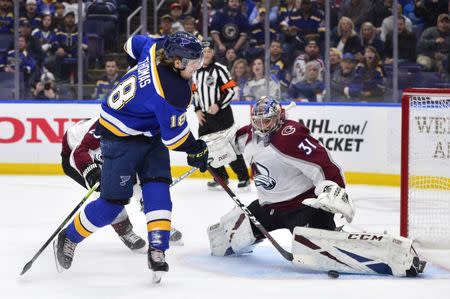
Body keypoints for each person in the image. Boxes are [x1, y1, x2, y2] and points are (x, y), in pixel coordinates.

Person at [207, 96, 426, 277]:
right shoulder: (247, 135)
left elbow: (325, 165)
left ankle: (396, 254)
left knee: (319, 250)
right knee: (221, 243)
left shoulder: (289, 137)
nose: (262, 126)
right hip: (267, 208)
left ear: (279, 118)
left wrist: (333, 190)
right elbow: (226, 144)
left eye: (267, 121)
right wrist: (204, 154)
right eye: (258, 121)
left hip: (302, 208)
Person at [53, 31, 209, 283]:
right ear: (177, 61)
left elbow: (130, 44)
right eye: (193, 63)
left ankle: (157, 249)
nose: (197, 67)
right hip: (119, 138)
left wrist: (138, 74)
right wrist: (196, 148)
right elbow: (175, 139)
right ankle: (69, 236)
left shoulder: (156, 46)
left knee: (158, 186)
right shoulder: (173, 90)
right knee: (111, 205)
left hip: (147, 131)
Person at [60, 118, 146, 251]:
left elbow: (135, 177)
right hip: (74, 153)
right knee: (109, 195)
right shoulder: (107, 124)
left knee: (123, 181)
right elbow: (79, 153)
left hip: (103, 153)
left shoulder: (139, 137)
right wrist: (91, 171)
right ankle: (124, 230)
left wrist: (145, 199)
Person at [192, 39, 250, 190]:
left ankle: (244, 178)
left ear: (213, 52)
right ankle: (220, 177)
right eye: (203, 52)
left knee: (229, 147)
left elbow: (231, 90)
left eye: (209, 51)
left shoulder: (220, 69)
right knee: (206, 148)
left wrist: (218, 105)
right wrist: (197, 109)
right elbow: (194, 93)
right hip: (204, 117)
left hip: (222, 115)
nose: (206, 54)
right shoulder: (195, 71)